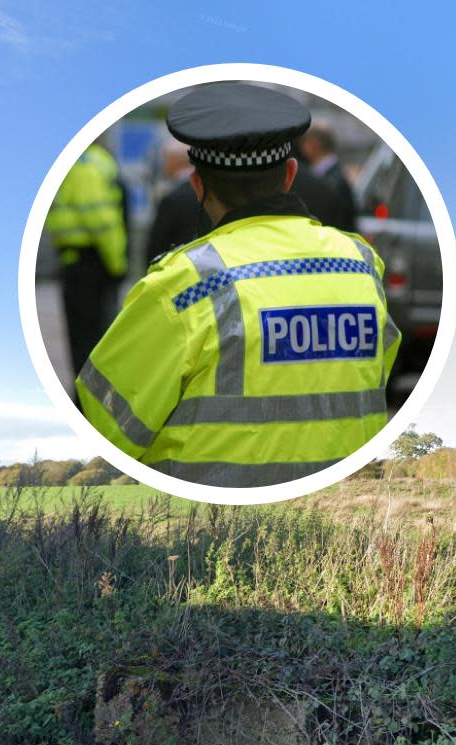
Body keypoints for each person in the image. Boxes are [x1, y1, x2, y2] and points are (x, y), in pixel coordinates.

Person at [75, 83, 400, 488]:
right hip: (349, 508)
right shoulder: (361, 265)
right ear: (291, 176)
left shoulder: (181, 288)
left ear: (197, 185)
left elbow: (103, 428)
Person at [45, 138, 128, 376]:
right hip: (91, 263)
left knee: (86, 340)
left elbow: (100, 220)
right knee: (91, 338)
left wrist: (115, 264)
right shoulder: (91, 162)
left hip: (88, 263)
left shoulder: (84, 167)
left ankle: (87, 401)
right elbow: (103, 221)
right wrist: (117, 264)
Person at [144, 138, 210, 265]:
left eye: (165, 160)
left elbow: (157, 245)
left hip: (175, 268)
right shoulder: (209, 192)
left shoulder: (171, 198)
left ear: (174, 161)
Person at [299, 123, 355, 230]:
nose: (302, 146)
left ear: (314, 144)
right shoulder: (331, 174)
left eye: (305, 141)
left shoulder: (333, 180)